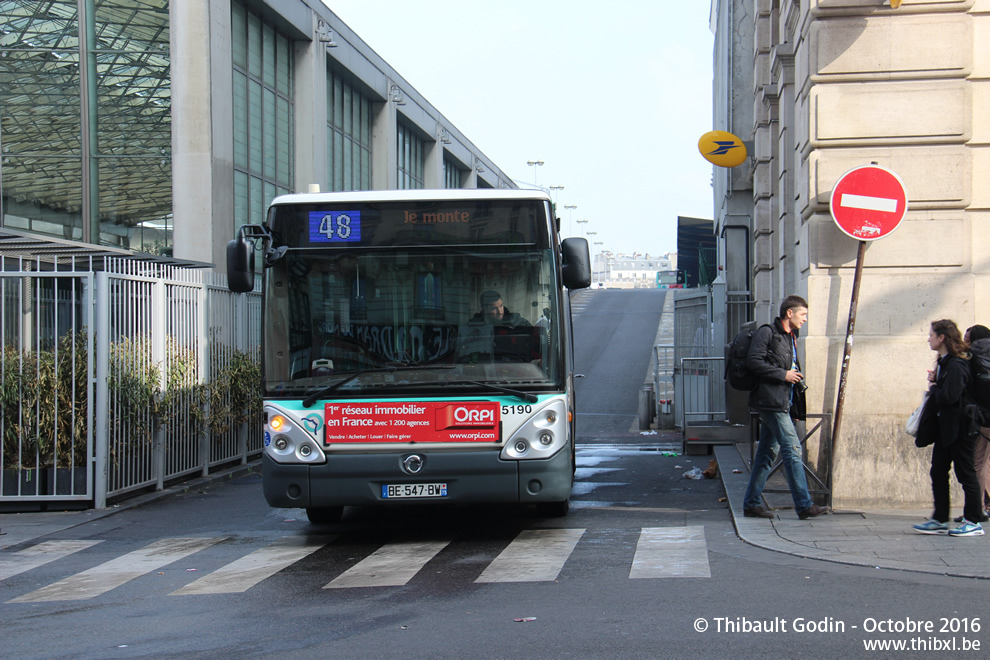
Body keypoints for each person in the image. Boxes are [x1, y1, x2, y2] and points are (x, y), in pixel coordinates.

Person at [742, 295, 830, 520]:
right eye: (803, 314)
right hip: (770, 402)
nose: (805, 319)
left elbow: (794, 371)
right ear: (789, 313)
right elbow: (753, 361)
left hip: (782, 401)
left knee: (766, 455)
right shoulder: (767, 333)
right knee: (792, 449)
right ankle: (804, 505)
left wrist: (796, 408)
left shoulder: (791, 336)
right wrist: (783, 374)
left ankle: (751, 504)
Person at [913, 320, 984, 536]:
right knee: (938, 471)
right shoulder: (945, 362)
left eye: (931, 334)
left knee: (965, 474)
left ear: (942, 337)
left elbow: (950, 397)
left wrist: (935, 388)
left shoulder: (957, 364)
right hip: (946, 428)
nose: (929, 339)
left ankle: (973, 522)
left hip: (960, 427)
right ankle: (940, 519)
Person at [962, 324, 990, 522]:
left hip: (983, 418)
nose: (965, 344)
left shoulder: (972, 358)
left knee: (977, 463)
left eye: (967, 340)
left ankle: (976, 509)